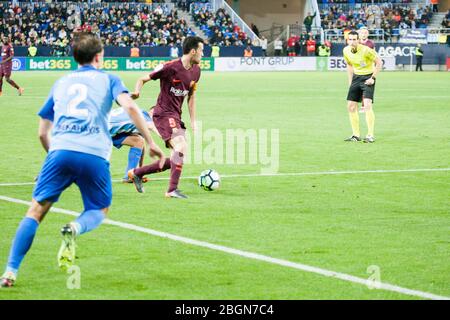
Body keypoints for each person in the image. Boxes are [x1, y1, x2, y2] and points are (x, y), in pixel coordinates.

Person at [0, 32, 164, 288]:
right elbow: (131, 108)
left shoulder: (62, 82)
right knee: (99, 209)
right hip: (94, 155)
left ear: (75, 57)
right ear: (99, 56)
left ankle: (10, 271)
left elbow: (42, 132)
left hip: (61, 151)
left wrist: (57, 156)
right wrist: (151, 142)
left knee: (35, 211)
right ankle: (75, 228)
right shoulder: (109, 79)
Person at [128, 36, 204, 199]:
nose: (203, 54)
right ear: (193, 51)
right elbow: (143, 78)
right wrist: (137, 92)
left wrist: (192, 121)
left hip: (176, 116)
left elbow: (191, 96)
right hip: (163, 114)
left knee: (178, 155)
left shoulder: (196, 71)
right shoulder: (169, 67)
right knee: (181, 147)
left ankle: (137, 173)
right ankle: (171, 190)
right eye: (201, 51)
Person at [343, 31, 382, 143]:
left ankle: (370, 135)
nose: (352, 42)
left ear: (358, 40)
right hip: (356, 78)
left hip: (368, 78)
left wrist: (373, 78)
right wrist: (350, 82)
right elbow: (349, 65)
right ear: (347, 40)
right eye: (350, 39)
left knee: (367, 105)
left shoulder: (366, 50)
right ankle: (356, 135)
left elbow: (379, 62)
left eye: (354, 39)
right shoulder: (345, 50)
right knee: (350, 106)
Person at [109, 107, 160, 183]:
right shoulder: (144, 117)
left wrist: (140, 171)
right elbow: (151, 127)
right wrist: (167, 138)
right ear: (153, 113)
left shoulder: (137, 114)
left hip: (103, 127)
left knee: (138, 141)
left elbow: (141, 143)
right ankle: (129, 176)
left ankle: (133, 174)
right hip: (101, 131)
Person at [358, 27, 375, 113]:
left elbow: (374, 56)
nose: (364, 34)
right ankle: (366, 104)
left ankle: (364, 106)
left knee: (367, 88)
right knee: (361, 89)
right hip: (359, 69)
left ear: (368, 34)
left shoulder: (371, 43)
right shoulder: (357, 43)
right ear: (359, 34)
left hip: (369, 69)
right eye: (362, 33)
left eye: (365, 33)